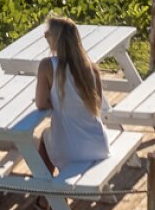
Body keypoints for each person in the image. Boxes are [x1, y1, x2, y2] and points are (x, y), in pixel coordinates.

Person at [33, 16, 112, 174]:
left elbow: (41, 104)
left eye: (47, 33)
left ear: (56, 39)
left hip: (70, 148)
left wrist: (54, 101)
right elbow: (97, 105)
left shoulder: (47, 66)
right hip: (99, 144)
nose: (45, 37)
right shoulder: (92, 68)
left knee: (44, 137)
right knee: (50, 137)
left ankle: (45, 195)